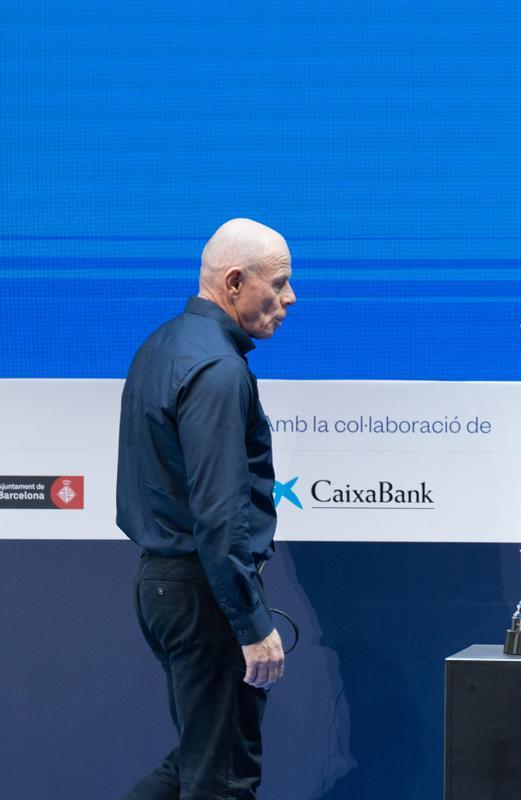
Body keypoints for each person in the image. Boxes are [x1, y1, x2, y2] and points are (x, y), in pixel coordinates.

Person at [117, 218, 297, 799]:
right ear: (236, 281)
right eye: (280, 283)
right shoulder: (218, 368)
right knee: (221, 777)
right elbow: (219, 514)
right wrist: (250, 623)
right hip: (204, 593)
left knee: (200, 760)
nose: (290, 298)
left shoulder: (161, 344)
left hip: (167, 586)